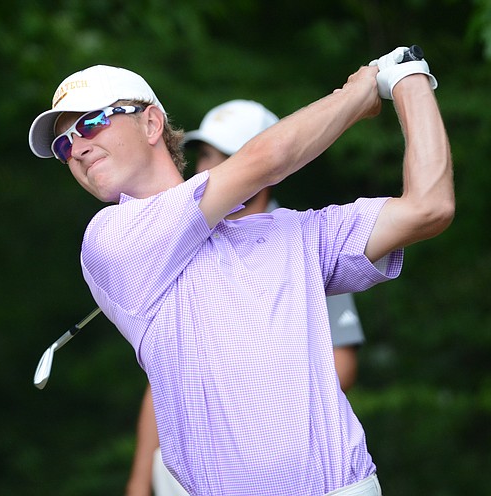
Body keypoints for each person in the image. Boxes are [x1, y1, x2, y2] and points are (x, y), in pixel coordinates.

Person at [28, 45, 452, 495]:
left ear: (150, 123)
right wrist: (357, 93)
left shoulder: (294, 233)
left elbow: (429, 207)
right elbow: (264, 161)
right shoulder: (110, 239)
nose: (76, 147)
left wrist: (410, 78)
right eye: (62, 143)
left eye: (91, 121)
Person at [125, 100, 367, 496]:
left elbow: (342, 365)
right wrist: (138, 483)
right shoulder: (176, 248)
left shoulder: (302, 237)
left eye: (227, 157)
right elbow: (165, 379)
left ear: (267, 164)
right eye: (204, 155)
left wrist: (243, 395)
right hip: (189, 470)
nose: (206, 169)